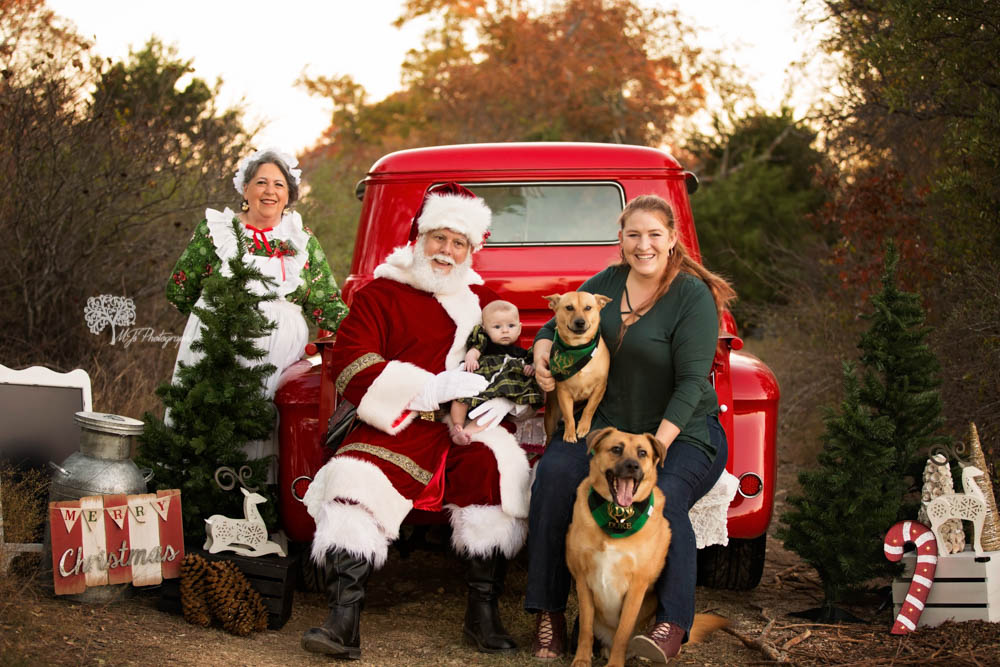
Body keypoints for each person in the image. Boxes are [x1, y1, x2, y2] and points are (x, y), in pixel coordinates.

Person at [301, 183, 531, 660]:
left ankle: (481, 614)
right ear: (419, 238)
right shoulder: (380, 293)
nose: (447, 252)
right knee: (355, 476)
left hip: (467, 423)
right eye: (439, 239)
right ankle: (344, 619)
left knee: (494, 470)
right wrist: (425, 390)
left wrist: (509, 401)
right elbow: (350, 360)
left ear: (472, 250)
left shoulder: (479, 300)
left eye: (458, 243)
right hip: (399, 420)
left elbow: (514, 354)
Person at [525, 194, 736, 662]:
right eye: (633, 235)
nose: (643, 245)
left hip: (681, 431)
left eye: (654, 235)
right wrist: (542, 353)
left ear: (672, 239)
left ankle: (670, 625)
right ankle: (549, 616)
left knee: (665, 497)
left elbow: (689, 385)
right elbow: (552, 324)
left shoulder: (691, 296)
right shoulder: (607, 281)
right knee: (554, 481)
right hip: (607, 427)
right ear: (620, 239)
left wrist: (653, 451)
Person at [166, 147, 348, 462]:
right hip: (219, 347)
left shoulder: (301, 239)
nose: (270, 191)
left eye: (279, 185)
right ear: (245, 188)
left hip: (279, 357)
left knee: (265, 427)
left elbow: (327, 303)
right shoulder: (216, 232)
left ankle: (259, 501)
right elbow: (181, 287)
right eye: (261, 182)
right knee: (210, 424)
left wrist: (361, 340)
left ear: (289, 194)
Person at [449, 299, 543, 445]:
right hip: (482, 380)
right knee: (461, 396)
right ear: (485, 329)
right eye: (497, 327)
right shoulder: (484, 346)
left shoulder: (521, 354)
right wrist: (470, 359)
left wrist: (529, 367)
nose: (505, 330)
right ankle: (457, 424)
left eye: (511, 326)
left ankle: (468, 432)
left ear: (519, 329)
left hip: (502, 390)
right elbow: (473, 351)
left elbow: (530, 363)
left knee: (492, 411)